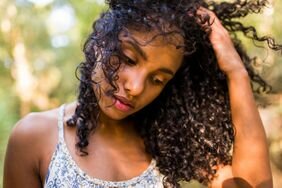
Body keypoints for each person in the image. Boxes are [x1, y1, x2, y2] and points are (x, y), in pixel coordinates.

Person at [3, 0, 281, 187]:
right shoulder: (34, 137)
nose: (135, 87)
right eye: (128, 58)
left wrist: (236, 73)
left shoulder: (170, 147)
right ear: (100, 42)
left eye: (158, 80)